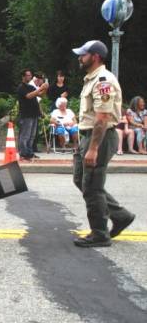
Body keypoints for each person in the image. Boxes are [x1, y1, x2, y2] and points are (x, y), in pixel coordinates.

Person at [71, 40, 135, 247]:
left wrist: (93, 148)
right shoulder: (91, 78)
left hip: (100, 137)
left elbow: (102, 118)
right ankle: (121, 216)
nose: (80, 57)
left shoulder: (103, 81)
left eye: (83, 54)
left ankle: (99, 233)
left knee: (92, 187)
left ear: (95, 56)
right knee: (81, 180)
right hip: (89, 136)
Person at [16, 69, 48, 161]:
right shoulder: (21, 87)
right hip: (26, 114)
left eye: (30, 75)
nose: (29, 77)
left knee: (32, 135)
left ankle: (30, 152)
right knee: (25, 135)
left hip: (34, 114)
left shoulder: (30, 86)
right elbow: (29, 96)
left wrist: (45, 88)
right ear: (23, 76)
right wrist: (41, 89)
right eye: (28, 75)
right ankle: (23, 153)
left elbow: (41, 95)